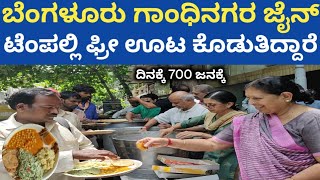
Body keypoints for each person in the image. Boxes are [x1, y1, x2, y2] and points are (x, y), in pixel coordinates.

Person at [138, 76, 320, 180]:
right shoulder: (250, 121)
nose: (250, 103)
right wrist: (168, 141)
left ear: (286, 96)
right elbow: (212, 145)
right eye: (248, 98)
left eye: (257, 98)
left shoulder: (311, 119)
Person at [0, 88, 118, 180]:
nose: (55, 112)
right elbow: (8, 164)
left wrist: (99, 161)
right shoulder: (3, 131)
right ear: (21, 107)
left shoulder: (62, 123)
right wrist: (72, 155)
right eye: (49, 107)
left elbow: (85, 145)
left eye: (57, 107)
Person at [160, 90, 246, 180]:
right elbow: (190, 122)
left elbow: (226, 140)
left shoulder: (239, 119)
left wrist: (200, 134)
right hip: (211, 153)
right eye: (206, 105)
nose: (208, 107)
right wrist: (172, 128)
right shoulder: (211, 115)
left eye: (212, 105)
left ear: (229, 104)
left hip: (229, 156)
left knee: (225, 175)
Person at [141, 91, 208, 131]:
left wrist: (173, 128)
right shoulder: (174, 111)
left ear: (189, 101)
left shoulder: (203, 111)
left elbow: (202, 128)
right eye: (172, 103)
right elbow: (156, 119)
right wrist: (145, 127)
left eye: (176, 103)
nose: (173, 105)